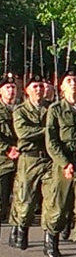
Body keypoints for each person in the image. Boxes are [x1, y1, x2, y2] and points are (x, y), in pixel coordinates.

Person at [42, 70, 76, 257]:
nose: (73, 84)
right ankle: (51, 238)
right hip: (63, 163)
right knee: (59, 206)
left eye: (75, 80)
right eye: (69, 81)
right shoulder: (56, 109)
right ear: (61, 87)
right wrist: (64, 163)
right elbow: (51, 141)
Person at [7, 74, 51, 250]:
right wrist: (46, 130)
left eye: (40, 86)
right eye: (34, 86)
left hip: (47, 158)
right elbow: (23, 133)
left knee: (50, 200)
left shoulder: (50, 109)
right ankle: (20, 229)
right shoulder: (21, 110)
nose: (38, 89)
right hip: (29, 158)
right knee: (26, 198)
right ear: (27, 90)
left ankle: (50, 241)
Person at [0, 74, 18, 228]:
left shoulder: (19, 109)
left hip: (19, 158)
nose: (11, 91)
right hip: (3, 160)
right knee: (3, 196)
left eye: (13, 87)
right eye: (7, 88)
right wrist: (6, 149)